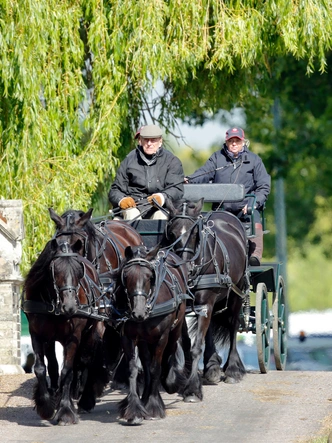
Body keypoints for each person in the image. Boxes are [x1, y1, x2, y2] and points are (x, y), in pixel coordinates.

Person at [186, 127, 271, 266]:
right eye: (231, 141)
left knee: (254, 215)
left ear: (243, 142)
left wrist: (253, 203)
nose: (234, 144)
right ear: (226, 142)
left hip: (245, 207)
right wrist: (189, 179)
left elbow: (263, 186)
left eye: (237, 140)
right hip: (222, 209)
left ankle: (255, 255)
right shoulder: (217, 158)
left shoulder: (254, 160)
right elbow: (204, 173)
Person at [109, 124, 184, 220]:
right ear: (140, 141)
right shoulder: (128, 161)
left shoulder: (172, 161)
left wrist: (162, 197)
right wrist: (121, 200)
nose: (149, 143)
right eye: (146, 140)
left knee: (161, 216)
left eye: (153, 140)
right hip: (133, 208)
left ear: (160, 141)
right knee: (132, 214)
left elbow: (176, 189)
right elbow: (115, 190)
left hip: (160, 208)